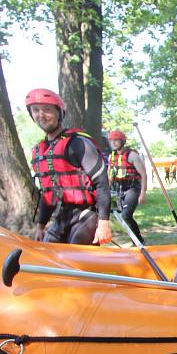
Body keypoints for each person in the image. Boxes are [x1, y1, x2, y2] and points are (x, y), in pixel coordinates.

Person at [25, 88, 112, 245]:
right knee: (46, 253)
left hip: (87, 215)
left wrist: (104, 222)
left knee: (75, 260)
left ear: (59, 113)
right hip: (63, 216)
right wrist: (40, 226)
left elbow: (102, 182)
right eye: (35, 110)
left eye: (47, 110)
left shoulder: (78, 143)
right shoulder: (40, 151)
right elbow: (48, 194)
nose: (41, 115)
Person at [107, 130, 147, 243]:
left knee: (126, 215)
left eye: (116, 140)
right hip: (119, 190)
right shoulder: (111, 157)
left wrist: (143, 193)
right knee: (122, 217)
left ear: (122, 141)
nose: (113, 143)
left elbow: (143, 175)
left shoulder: (132, 155)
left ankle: (139, 241)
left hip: (133, 189)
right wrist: (106, 191)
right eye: (111, 141)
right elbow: (109, 176)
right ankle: (135, 241)